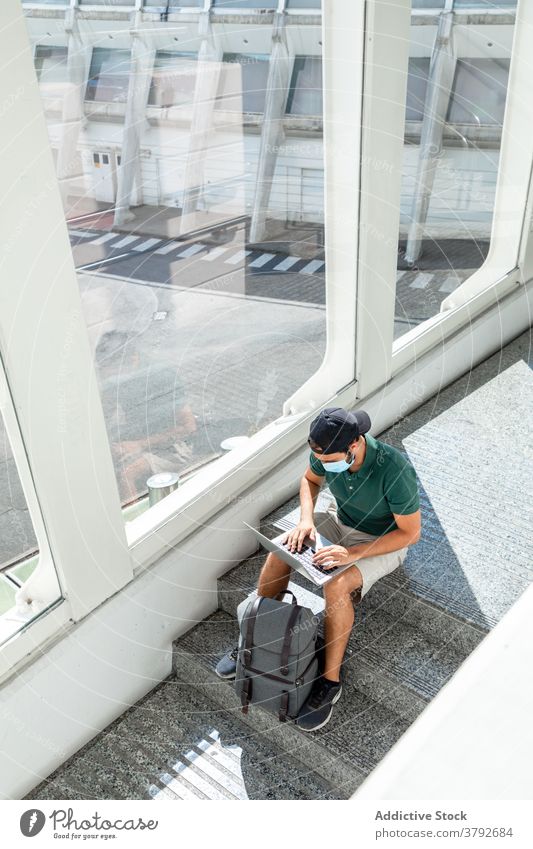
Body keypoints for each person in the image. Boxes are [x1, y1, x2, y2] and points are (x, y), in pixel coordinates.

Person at [215, 406, 421, 732]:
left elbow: (410, 533)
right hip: (339, 521)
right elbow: (310, 481)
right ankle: (255, 644)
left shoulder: (394, 470)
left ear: (354, 445)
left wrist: (352, 554)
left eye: (330, 462)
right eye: (321, 459)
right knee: (282, 549)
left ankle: (330, 683)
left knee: (336, 586)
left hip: (381, 540)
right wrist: (306, 521)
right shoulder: (326, 450)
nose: (325, 466)